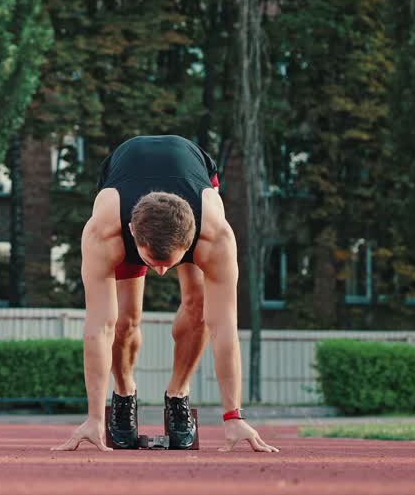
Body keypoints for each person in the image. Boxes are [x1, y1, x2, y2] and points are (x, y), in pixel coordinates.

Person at [53, 135, 278, 453]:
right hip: (125, 175)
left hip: (192, 174)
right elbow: (98, 327)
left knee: (199, 304)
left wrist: (233, 416)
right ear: (133, 234)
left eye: (168, 264)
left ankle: (178, 394)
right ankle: (124, 393)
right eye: (151, 263)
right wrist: (93, 418)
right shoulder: (105, 231)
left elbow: (224, 328)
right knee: (124, 321)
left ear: (192, 241)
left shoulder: (215, 236)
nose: (161, 273)